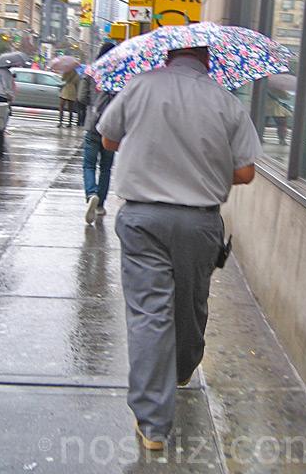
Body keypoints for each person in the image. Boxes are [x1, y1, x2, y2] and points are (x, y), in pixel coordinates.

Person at [97, 47, 262, 450]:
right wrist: (201, 160)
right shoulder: (225, 100)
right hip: (199, 221)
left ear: (167, 56)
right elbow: (245, 172)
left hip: (143, 219)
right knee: (190, 304)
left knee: (150, 313)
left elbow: (107, 139)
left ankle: (153, 425)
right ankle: (182, 369)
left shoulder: (139, 85)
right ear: (208, 59)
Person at [78, 42, 116, 224]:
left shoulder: (91, 71)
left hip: (92, 125)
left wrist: (90, 105)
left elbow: (81, 97)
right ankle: (100, 205)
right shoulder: (119, 73)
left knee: (89, 165)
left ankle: (91, 193)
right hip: (110, 127)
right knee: (106, 167)